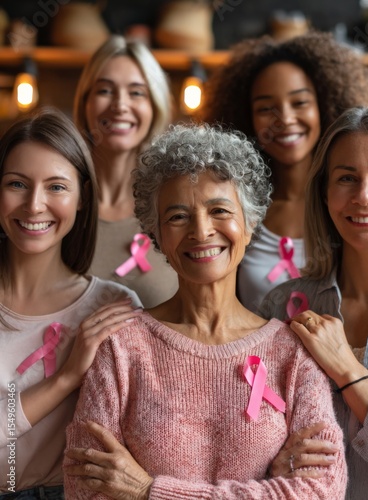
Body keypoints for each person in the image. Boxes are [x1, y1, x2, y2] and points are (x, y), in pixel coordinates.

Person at [63, 123, 347, 499]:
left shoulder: (293, 354)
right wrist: (268, 489)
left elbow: (321, 491)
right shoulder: (121, 349)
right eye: (178, 216)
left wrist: (149, 492)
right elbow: (85, 488)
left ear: (249, 224)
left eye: (219, 210)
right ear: (158, 235)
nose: (200, 230)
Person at [0, 108, 142, 498]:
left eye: (57, 187)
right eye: (16, 184)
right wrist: (66, 378)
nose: (34, 205)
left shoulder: (113, 306)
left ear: (82, 198)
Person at [260, 106, 368, 499]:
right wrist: (272, 462)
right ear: (323, 193)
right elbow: (244, 439)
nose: (364, 196)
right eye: (346, 178)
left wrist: (346, 370)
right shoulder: (280, 305)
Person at [202, 31, 368, 314]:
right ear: (245, 117)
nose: (285, 119)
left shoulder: (355, 205)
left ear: (324, 106)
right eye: (266, 108)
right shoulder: (236, 209)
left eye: (299, 102)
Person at [74, 34, 178, 308]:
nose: (120, 105)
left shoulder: (175, 205)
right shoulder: (57, 201)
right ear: (85, 103)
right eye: (105, 90)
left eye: (136, 93)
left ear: (154, 107)